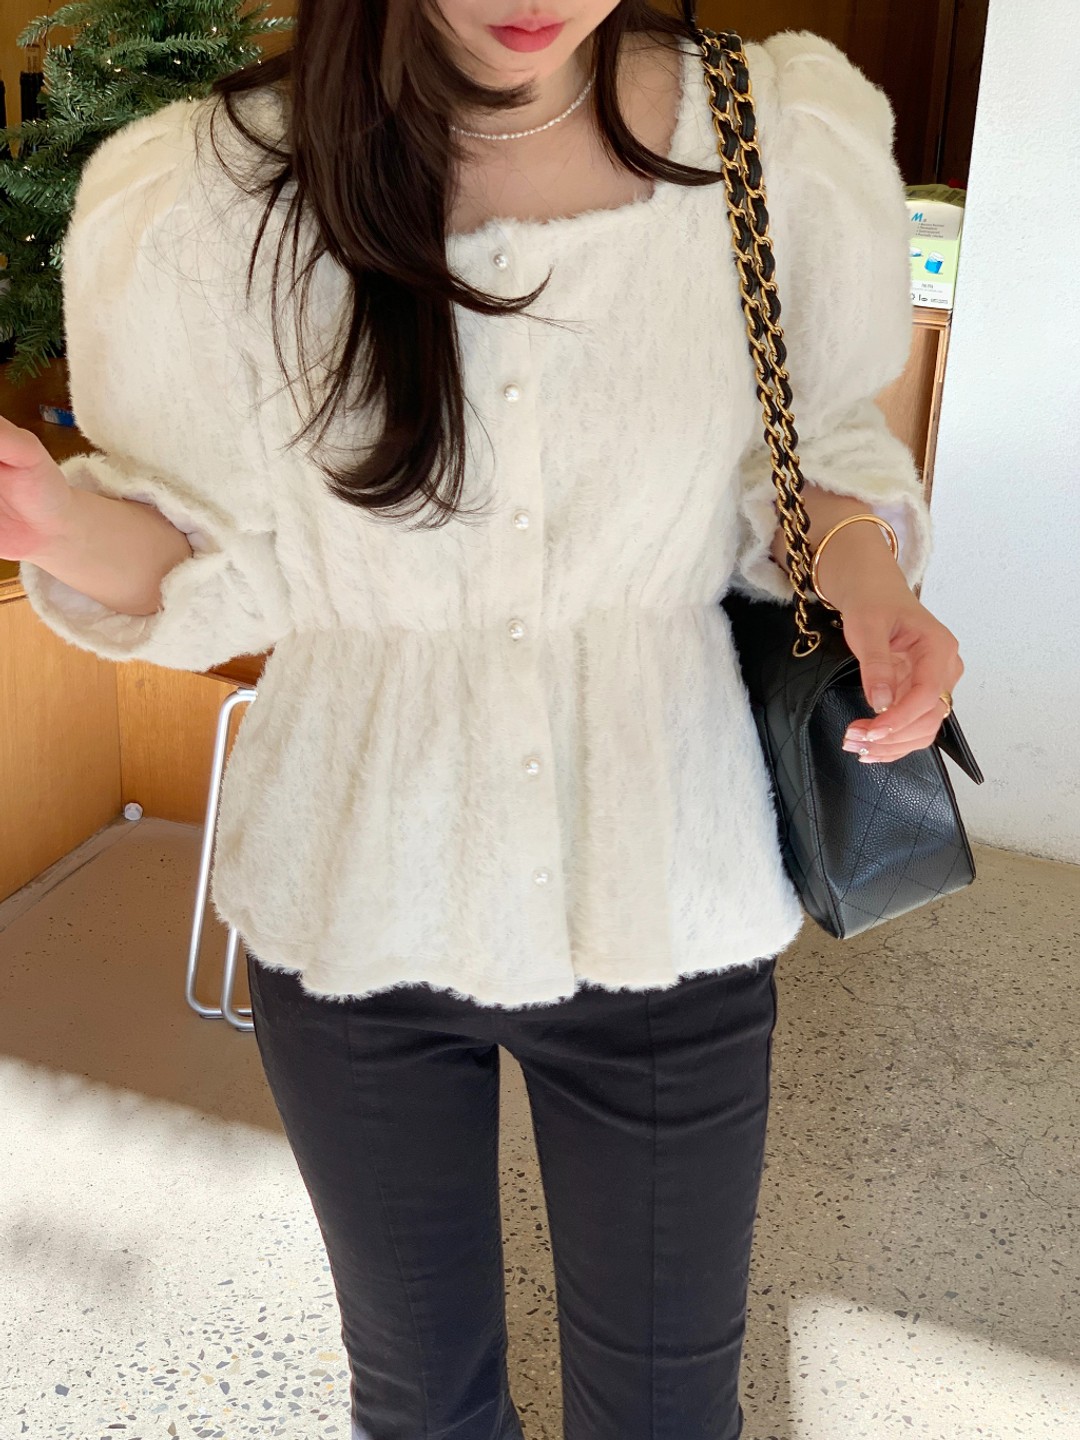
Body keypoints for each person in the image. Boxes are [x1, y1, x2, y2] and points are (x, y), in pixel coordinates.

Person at [0, 0, 964, 1435]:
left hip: (666, 897)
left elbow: (808, 457)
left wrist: (871, 581)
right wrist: (53, 525)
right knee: (419, 1404)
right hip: (352, 909)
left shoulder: (772, 139)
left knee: (668, 1412)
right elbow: (218, 564)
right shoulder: (210, 191)